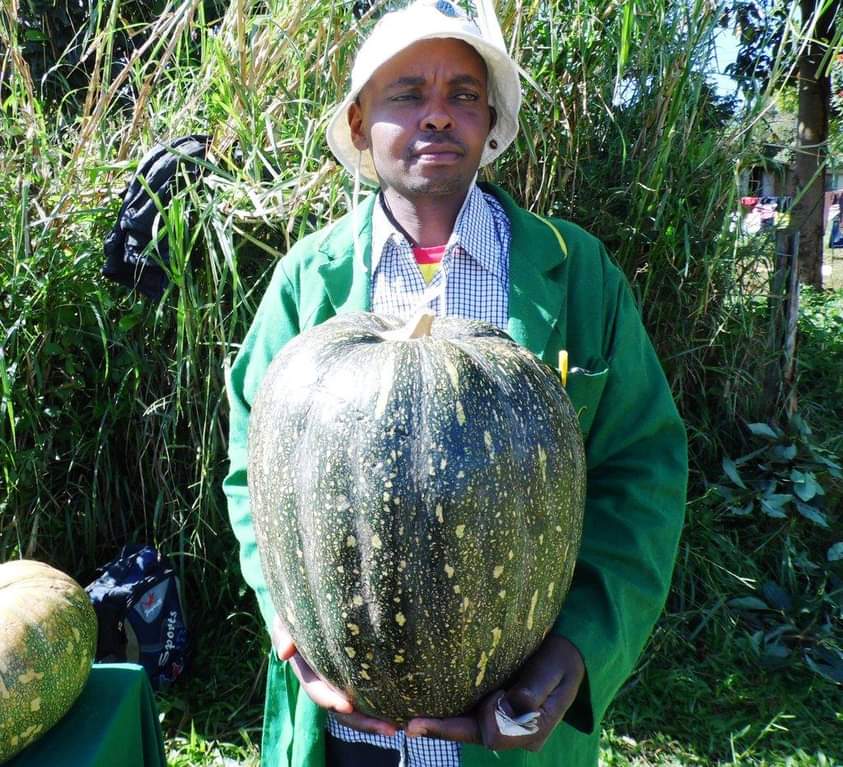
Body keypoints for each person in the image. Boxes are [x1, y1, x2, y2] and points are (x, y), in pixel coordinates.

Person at [223, 1, 688, 765]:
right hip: (347, 732)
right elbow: (251, 468)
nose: (437, 115)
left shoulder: (577, 274)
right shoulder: (308, 282)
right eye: (407, 93)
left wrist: (576, 650)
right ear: (359, 118)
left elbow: (641, 474)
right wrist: (286, 621)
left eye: (463, 95)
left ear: (490, 121)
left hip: (513, 735)